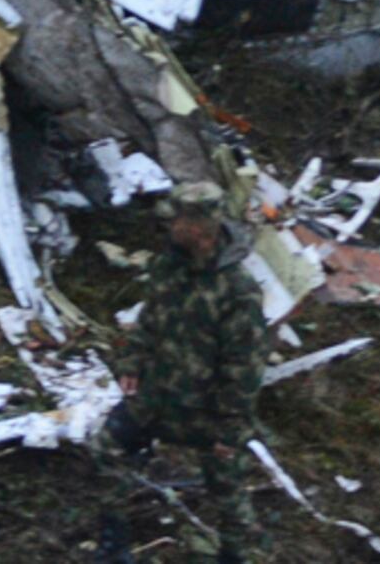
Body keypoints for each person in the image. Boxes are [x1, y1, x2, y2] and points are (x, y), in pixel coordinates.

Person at [118, 184, 265, 564]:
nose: (168, 224)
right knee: (108, 449)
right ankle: (114, 548)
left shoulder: (238, 292)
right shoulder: (168, 266)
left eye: (177, 219)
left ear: (200, 229)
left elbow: (244, 368)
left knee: (228, 489)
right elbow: (149, 318)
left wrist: (229, 430)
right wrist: (132, 362)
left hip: (208, 414)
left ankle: (234, 557)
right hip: (159, 398)